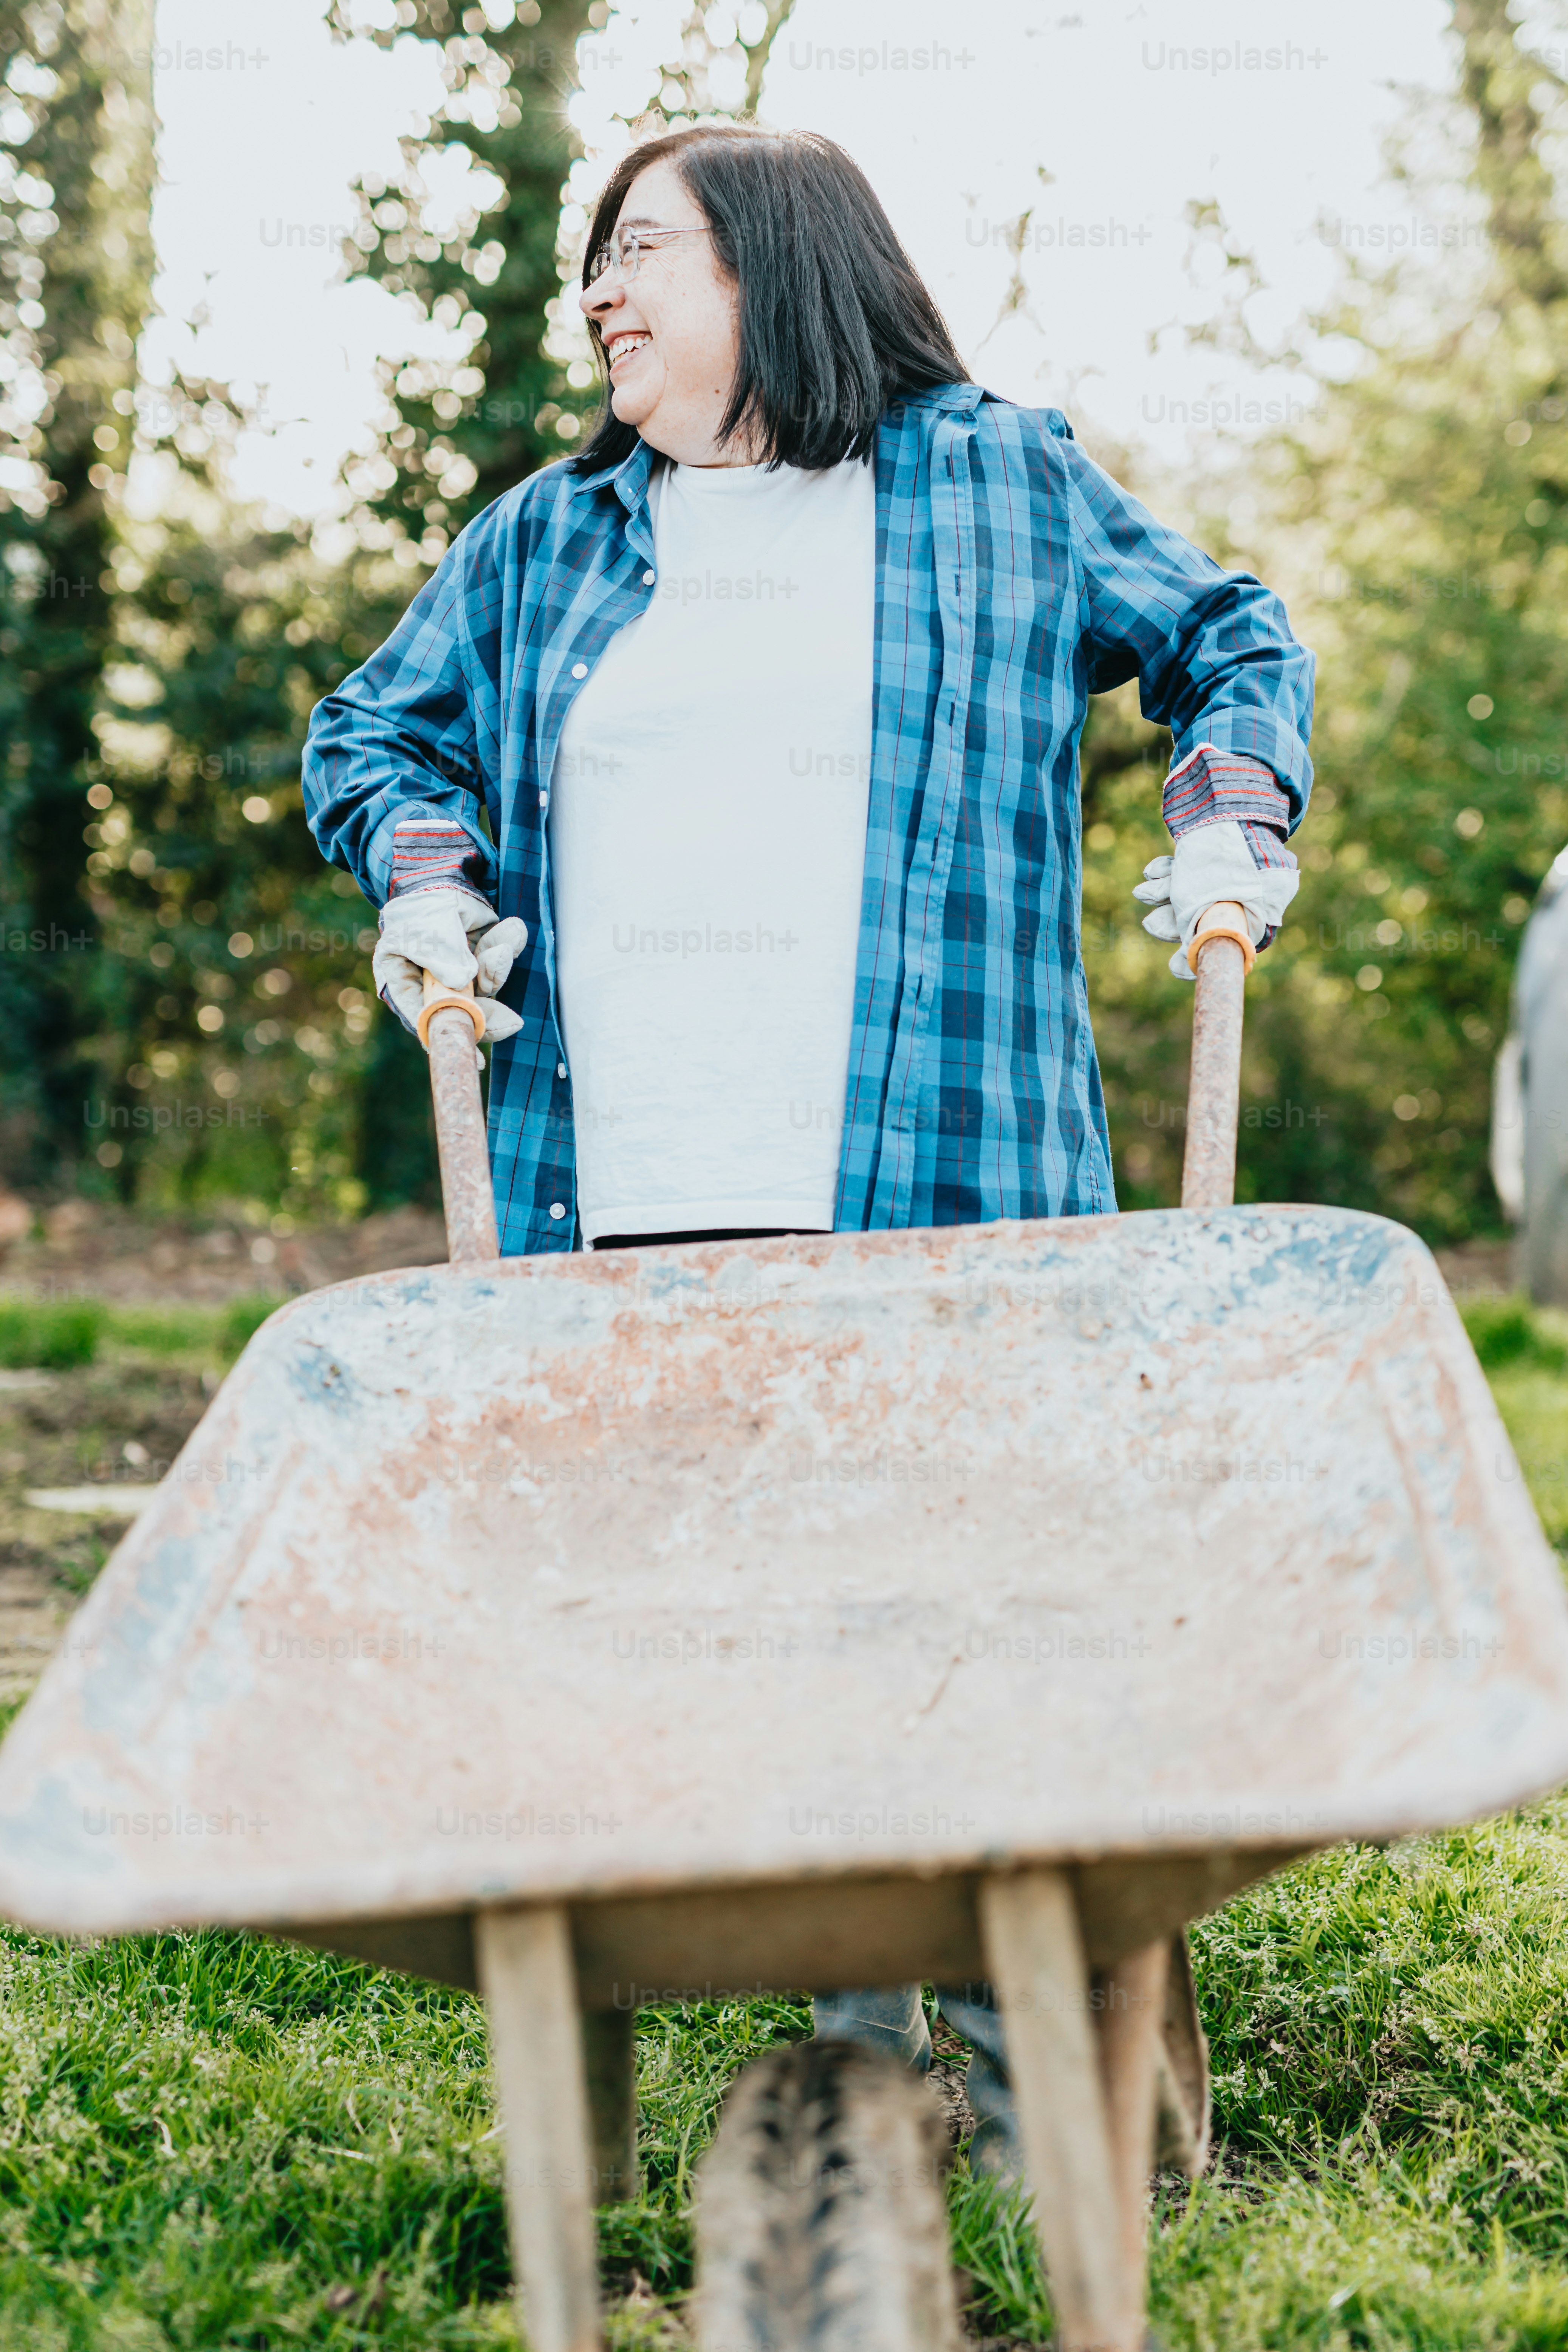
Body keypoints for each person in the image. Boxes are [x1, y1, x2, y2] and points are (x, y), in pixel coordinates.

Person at [302, 122, 1314, 2179]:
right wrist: (421, 872)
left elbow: (1230, 632)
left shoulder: (996, 485)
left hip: (950, 1184)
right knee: (784, 1653)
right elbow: (376, 732)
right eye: (589, 258)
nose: (596, 289)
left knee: (1001, 1626)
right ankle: (888, 2083)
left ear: (777, 266)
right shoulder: (545, 540)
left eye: (642, 249)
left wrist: (1224, 807)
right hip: (636, 1190)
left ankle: (1075, 2115)